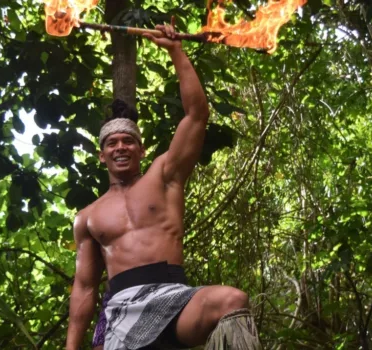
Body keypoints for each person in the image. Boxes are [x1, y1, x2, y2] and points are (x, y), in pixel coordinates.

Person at [65, 24, 262, 350]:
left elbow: (197, 115)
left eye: (128, 141)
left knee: (232, 300)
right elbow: (85, 287)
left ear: (141, 150)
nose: (120, 147)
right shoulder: (87, 216)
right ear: (102, 156)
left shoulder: (164, 175)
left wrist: (175, 50)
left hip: (174, 298)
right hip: (121, 311)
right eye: (112, 143)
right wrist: (72, 347)